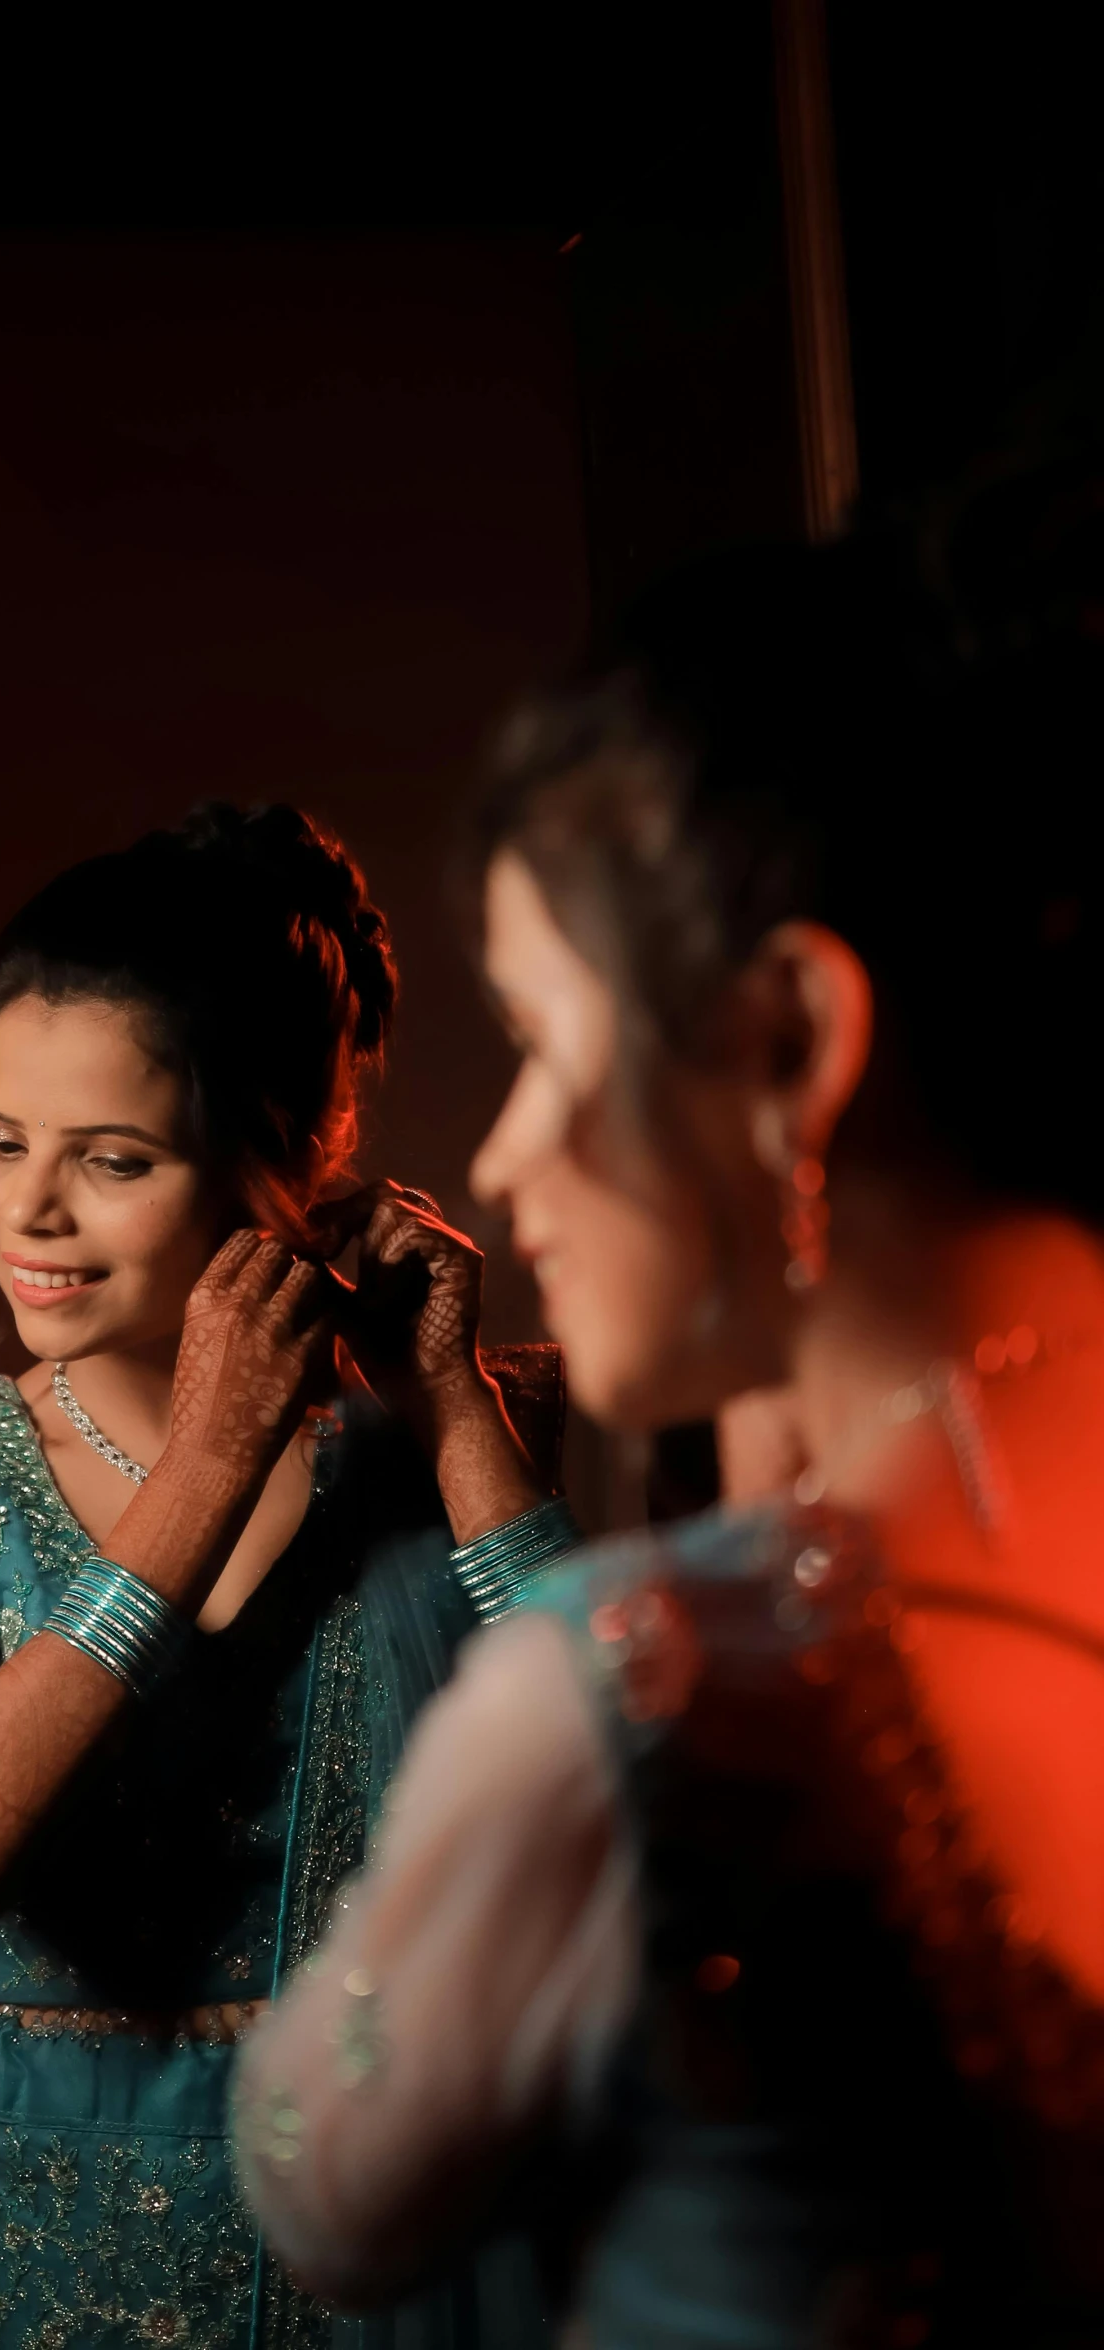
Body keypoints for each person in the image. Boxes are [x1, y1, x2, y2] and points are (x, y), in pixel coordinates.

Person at [233, 473, 1104, 2347]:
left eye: (549, 1043)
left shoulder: (637, 1693)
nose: (502, 1149)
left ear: (791, 1037)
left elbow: (330, 2182)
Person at [0, 804, 569, 2350]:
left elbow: (623, 1773)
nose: (28, 1211)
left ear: (282, 1167)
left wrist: (448, 1414)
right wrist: (201, 1476)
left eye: (111, 1158)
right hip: (43, 2265)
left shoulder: (446, 1433)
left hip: (384, 2240)